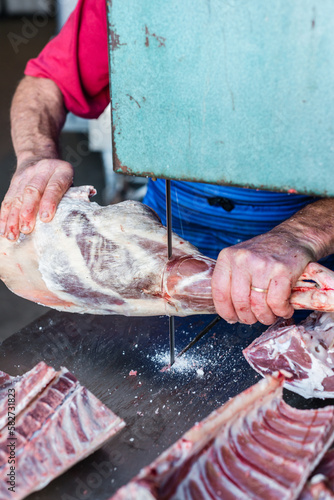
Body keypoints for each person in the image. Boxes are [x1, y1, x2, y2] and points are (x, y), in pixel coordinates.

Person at [2, 0, 334, 326]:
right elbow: (46, 83)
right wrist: (36, 155)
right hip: (163, 244)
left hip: (304, 266)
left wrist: (302, 233)